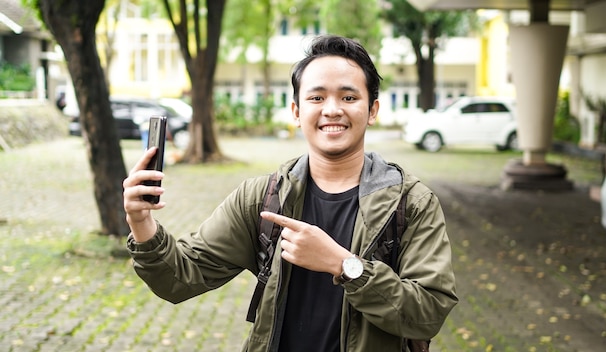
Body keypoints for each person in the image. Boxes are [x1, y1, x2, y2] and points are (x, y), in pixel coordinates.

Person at [123, 35, 457, 351]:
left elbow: (428, 312)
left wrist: (344, 265)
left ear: (372, 110)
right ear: (297, 112)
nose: (332, 109)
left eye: (349, 97)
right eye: (316, 97)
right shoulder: (262, 199)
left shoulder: (411, 203)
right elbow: (180, 278)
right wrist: (141, 222)